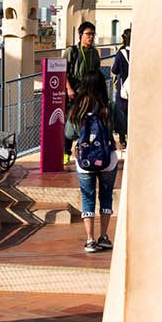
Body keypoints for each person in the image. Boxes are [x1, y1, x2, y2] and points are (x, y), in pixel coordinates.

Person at [69, 72, 121, 253]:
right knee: (106, 196)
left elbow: (69, 134)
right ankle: (104, 237)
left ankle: (90, 240)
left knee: (87, 197)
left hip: (84, 160)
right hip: (108, 158)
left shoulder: (78, 109)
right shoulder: (109, 107)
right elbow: (122, 126)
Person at [67, 21, 103, 96]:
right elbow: (63, 72)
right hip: (75, 91)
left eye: (93, 34)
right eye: (88, 34)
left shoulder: (94, 52)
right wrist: (69, 89)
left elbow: (97, 71)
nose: (91, 37)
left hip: (91, 92)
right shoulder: (71, 51)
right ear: (81, 35)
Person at [110, 26, 130, 145]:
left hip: (124, 88)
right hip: (136, 88)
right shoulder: (138, 52)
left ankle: (122, 139)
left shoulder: (121, 53)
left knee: (122, 113)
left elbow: (115, 70)